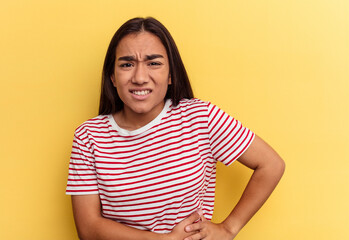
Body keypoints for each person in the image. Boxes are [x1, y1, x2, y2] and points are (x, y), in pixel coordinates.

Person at [66, 17, 285, 240]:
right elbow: (88, 228)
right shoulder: (89, 136)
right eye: (127, 64)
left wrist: (229, 228)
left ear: (171, 74)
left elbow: (271, 164)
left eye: (154, 63)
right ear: (112, 76)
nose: (140, 77)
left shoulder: (200, 117)